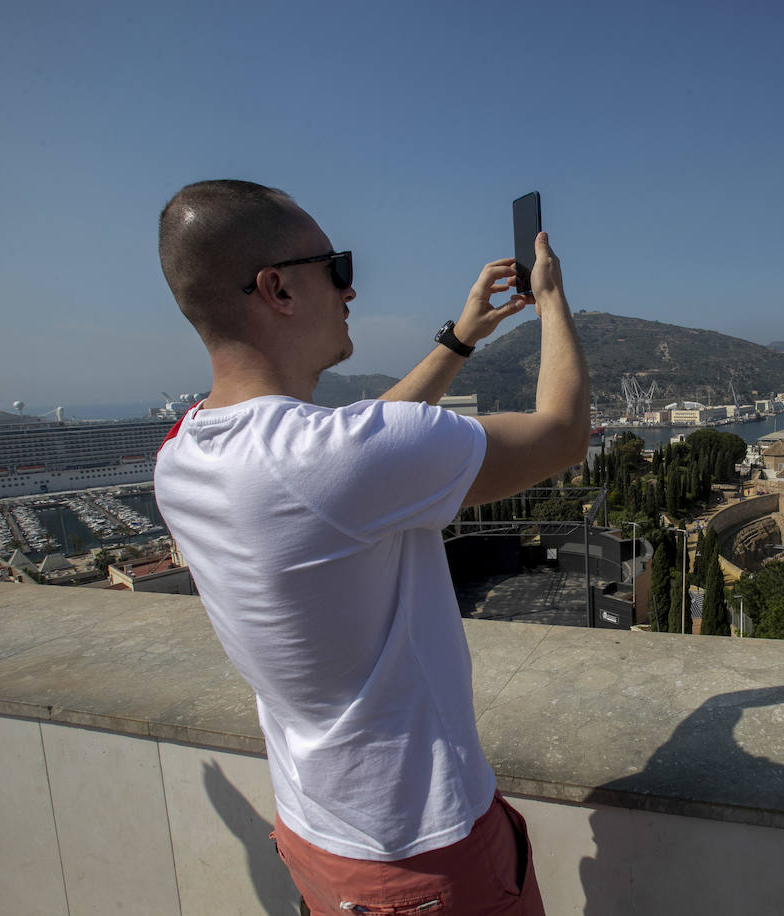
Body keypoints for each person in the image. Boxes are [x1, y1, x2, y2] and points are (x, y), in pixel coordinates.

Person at [153, 180, 589, 915]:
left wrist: (458, 340)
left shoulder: (180, 456)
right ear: (278, 289)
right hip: (423, 856)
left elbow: (347, 462)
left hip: (316, 838)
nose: (351, 290)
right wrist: (550, 300)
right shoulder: (329, 462)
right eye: (336, 268)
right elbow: (563, 434)